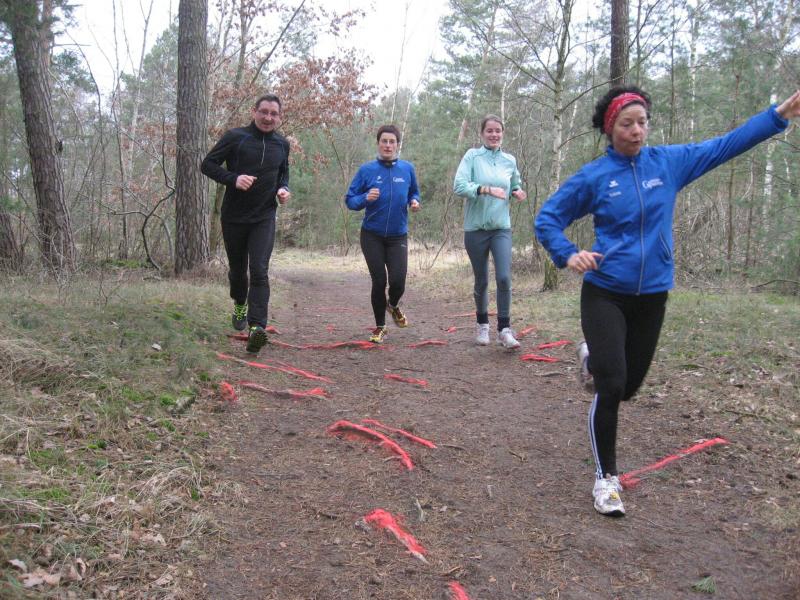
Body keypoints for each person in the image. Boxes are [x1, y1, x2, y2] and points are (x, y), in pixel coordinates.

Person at [535, 86, 800, 517]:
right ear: (610, 129)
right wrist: (567, 253)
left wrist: (778, 116)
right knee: (612, 385)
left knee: (629, 387)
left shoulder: (668, 164)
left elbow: (724, 146)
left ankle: (592, 359)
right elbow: (548, 219)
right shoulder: (594, 177)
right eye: (627, 124)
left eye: (642, 122)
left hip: (652, 295)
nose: (636, 131)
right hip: (605, 292)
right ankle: (606, 479)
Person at [201, 93, 291, 355]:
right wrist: (233, 179)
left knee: (259, 270)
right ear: (254, 112)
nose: (268, 118)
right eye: (264, 112)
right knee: (238, 272)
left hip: (264, 216)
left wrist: (283, 189)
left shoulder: (282, 144)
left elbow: (284, 173)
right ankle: (240, 303)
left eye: (273, 114)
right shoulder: (235, 137)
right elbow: (207, 164)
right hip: (234, 217)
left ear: (279, 117)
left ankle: (257, 328)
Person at [454, 115, 527, 349]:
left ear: (502, 133)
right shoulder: (472, 157)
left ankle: (504, 329)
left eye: (498, 131)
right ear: (482, 133)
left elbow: (514, 183)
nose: (494, 135)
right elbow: (459, 186)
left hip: (501, 228)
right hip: (475, 228)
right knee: (482, 280)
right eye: (490, 131)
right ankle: (482, 324)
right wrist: (485, 189)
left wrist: (517, 191)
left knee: (504, 277)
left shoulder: (509, 160)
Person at [345, 125, 421, 343]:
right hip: (372, 235)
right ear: (378, 143)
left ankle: (393, 305)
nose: (388, 145)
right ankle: (380, 327)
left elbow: (414, 192)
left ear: (397, 145)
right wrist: (365, 198)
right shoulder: (366, 170)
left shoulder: (407, 169)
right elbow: (350, 200)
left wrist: (414, 201)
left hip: (398, 235)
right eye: (384, 141)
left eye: (392, 141)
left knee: (398, 282)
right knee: (379, 281)